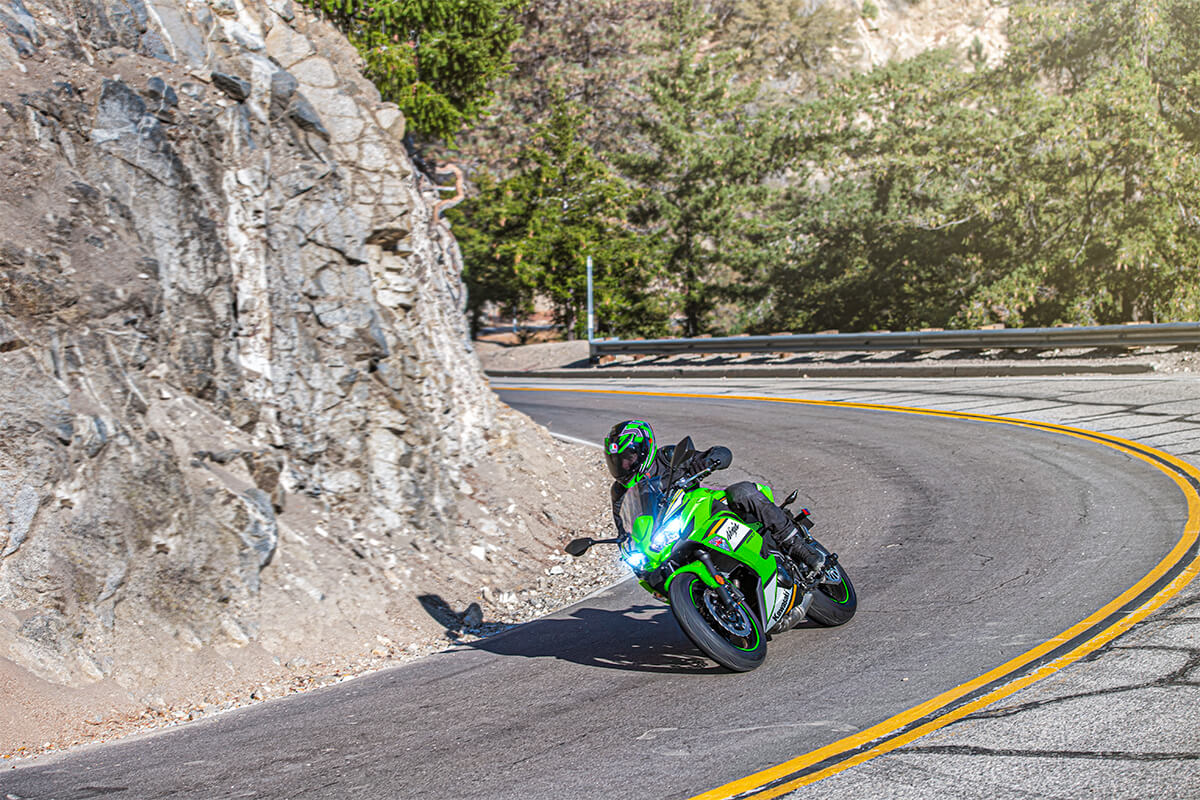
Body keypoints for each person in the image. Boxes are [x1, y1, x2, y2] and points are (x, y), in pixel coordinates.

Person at [604, 419, 826, 573]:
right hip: (671, 535)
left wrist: (709, 460)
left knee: (742, 491)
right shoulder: (619, 491)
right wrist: (627, 546)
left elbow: (721, 453)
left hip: (704, 510)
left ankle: (798, 546)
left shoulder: (668, 457)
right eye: (615, 461)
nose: (622, 466)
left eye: (626, 458)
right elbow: (625, 528)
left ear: (643, 450)